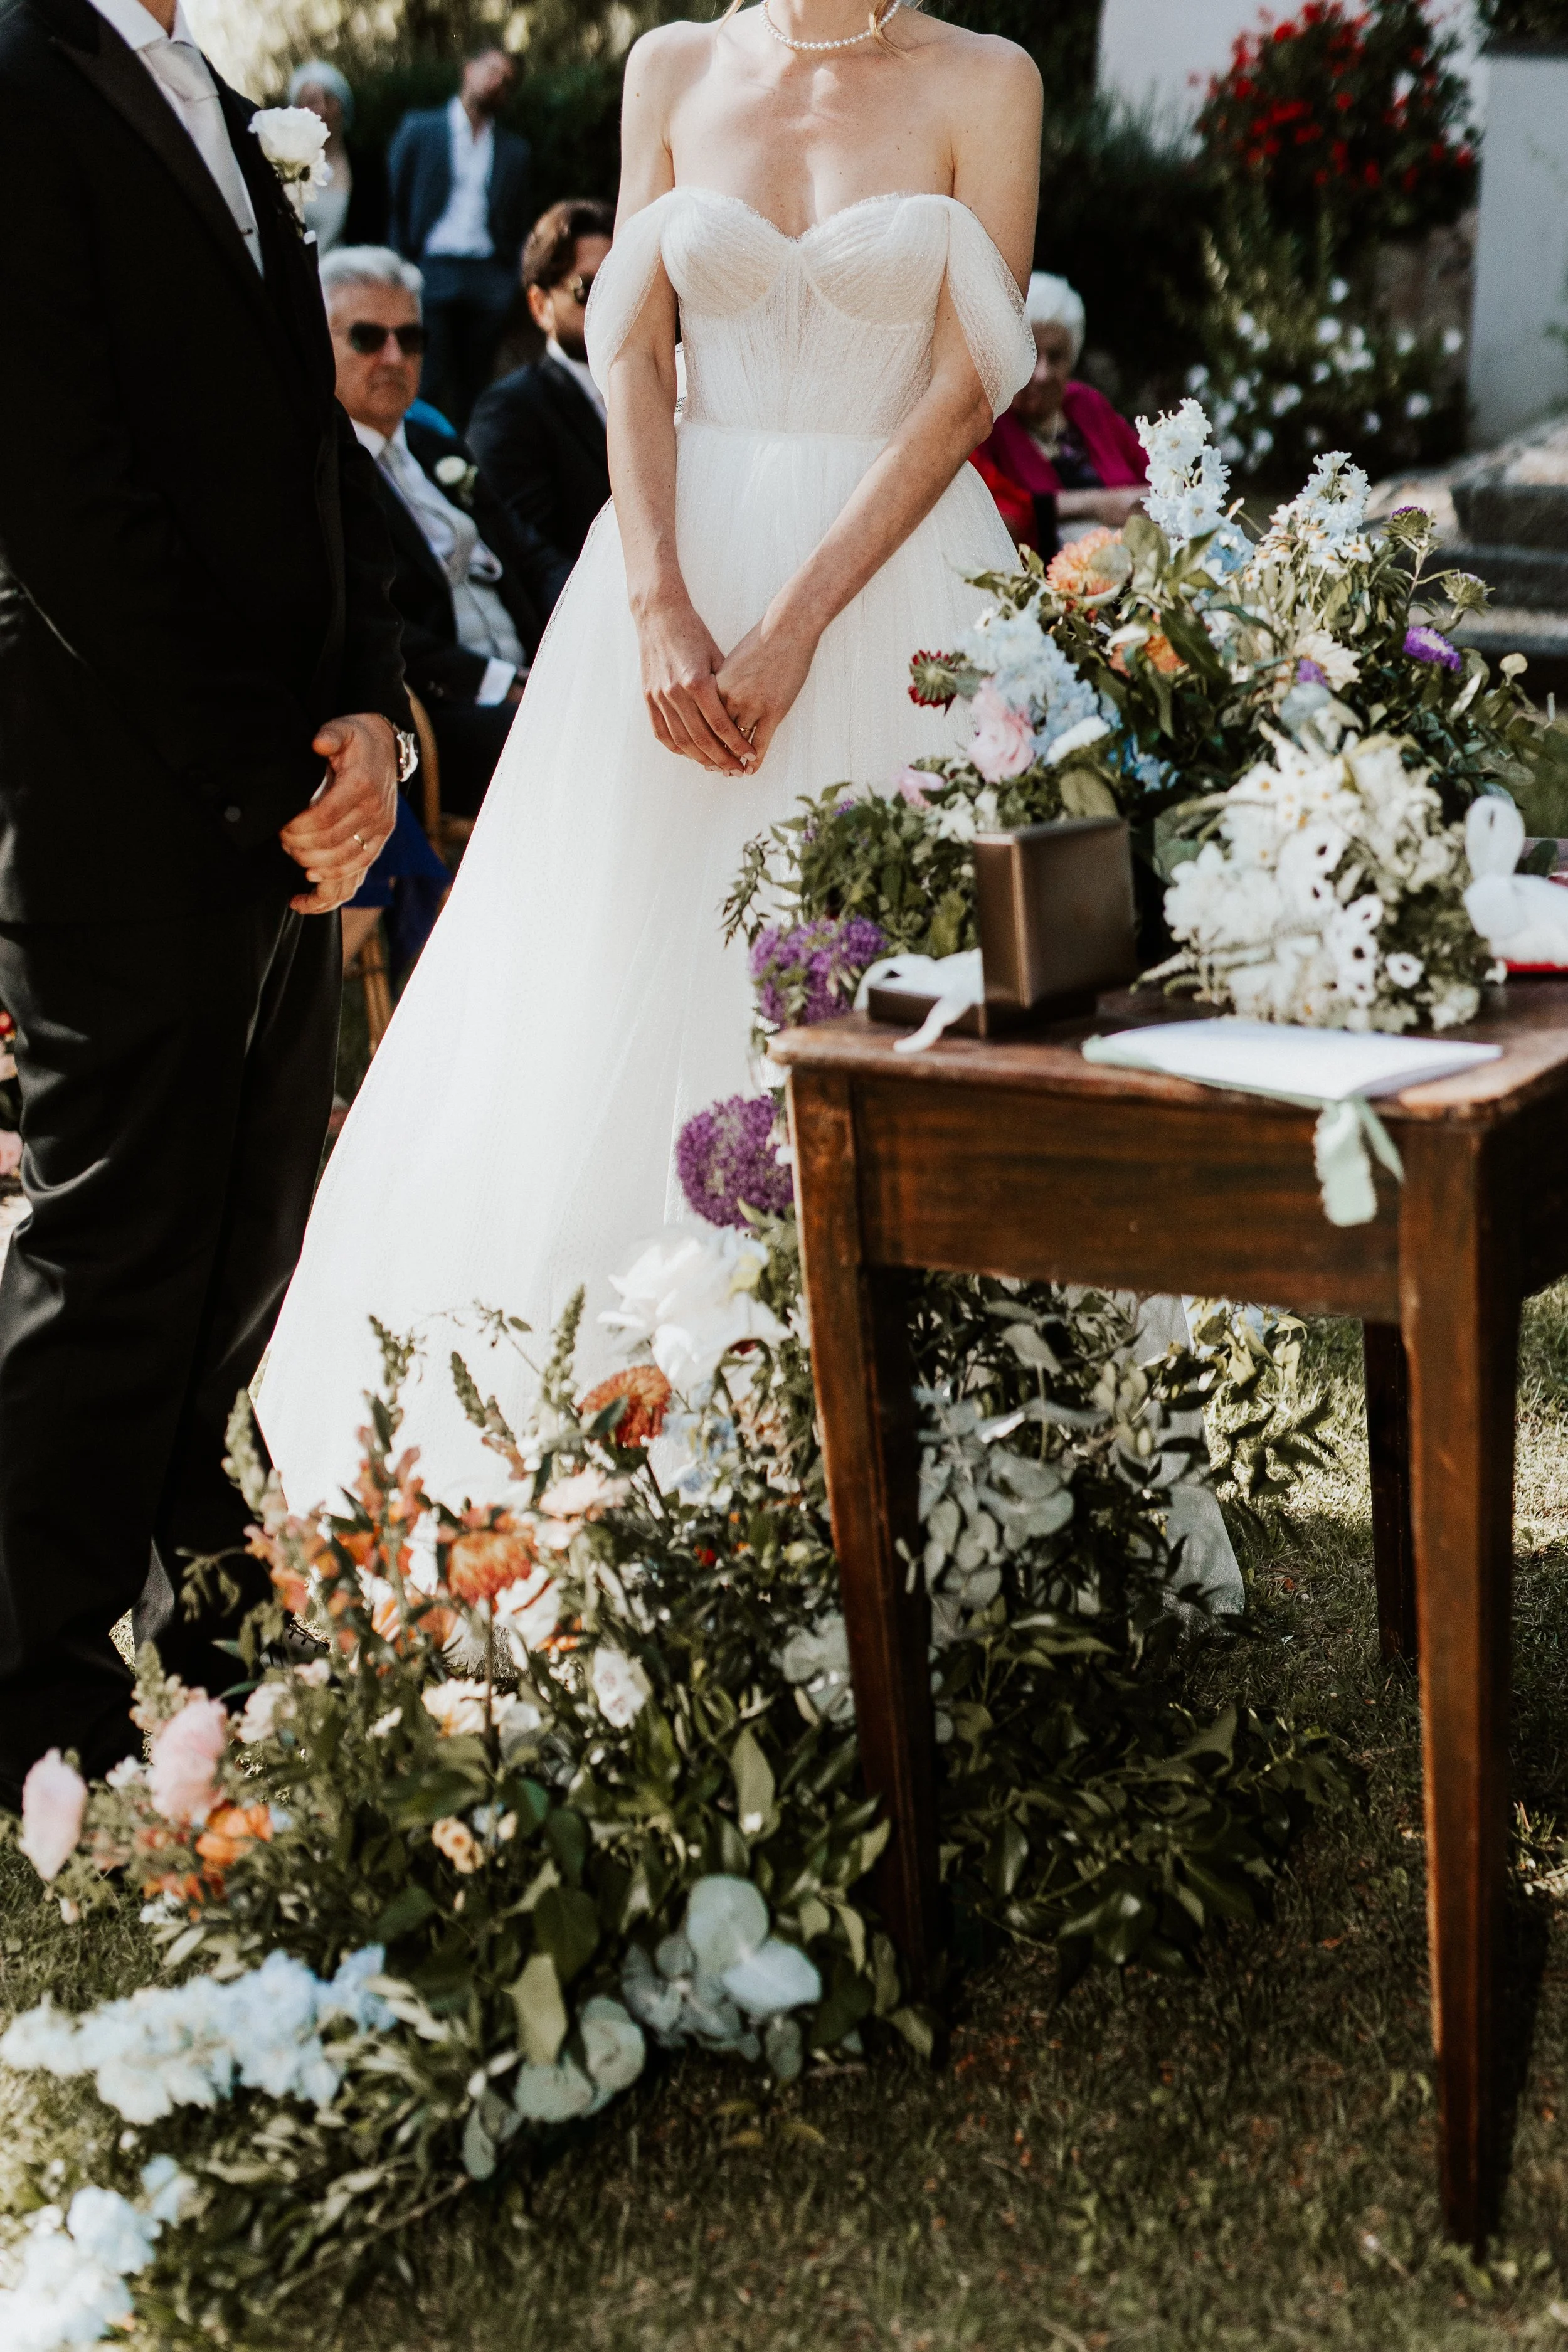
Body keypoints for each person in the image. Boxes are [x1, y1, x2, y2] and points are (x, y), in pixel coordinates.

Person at [257, 0, 1044, 1515]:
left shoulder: (985, 79)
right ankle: (590, 1400)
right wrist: (656, 599)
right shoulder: (671, 65)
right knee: (610, 968)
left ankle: (895, 1432)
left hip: (890, 593)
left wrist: (800, 617)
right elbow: (630, 345)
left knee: (882, 984)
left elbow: (967, 386)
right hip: (669, 571)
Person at [0, 0, 411, 1804]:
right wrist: (270, 775)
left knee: (246, 1219)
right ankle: (33, 1687)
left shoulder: (217, 103)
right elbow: (62, 496)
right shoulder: (20, 80)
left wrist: (376, 718)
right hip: (117, 785)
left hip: (280, 789)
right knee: (110, 1244)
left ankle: (208, 1599)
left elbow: (309, 457)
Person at [323, 245, 541, 818]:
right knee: (570, 743)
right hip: (440, 711)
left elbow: (528, 554)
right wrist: (501, 682)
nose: (394, 357)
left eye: (411, 339)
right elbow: (374, 622)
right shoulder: (317, 476)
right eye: (368, 338)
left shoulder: (438, 447)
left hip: (531, 676)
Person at [469, 198, 615, 623]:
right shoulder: (511, 412)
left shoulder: (682, 390)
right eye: (587, 290)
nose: (610, 305)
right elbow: (529, 556)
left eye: (621, 284)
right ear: (539, 304)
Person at [388, 45, 531, 426]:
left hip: (488, 276)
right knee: (426, 379)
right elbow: (396, 201)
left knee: (479, 386)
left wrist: (508, 281)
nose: (498, 82)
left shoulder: (514, 151)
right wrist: (403, 266)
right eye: (492, 70)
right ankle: (424, 460)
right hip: (431, 268)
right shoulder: (420, 129)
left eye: (507, 80)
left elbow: (516, 221)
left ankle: (470, 468)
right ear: (468, 70)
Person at [973, 271, 1148, 558]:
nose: (1041, 374)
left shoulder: (1086, 404)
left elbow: (1156, 474)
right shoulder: (986, 419)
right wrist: (1096, 504)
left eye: (1055, 357)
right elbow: (997, 517)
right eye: (1030, 354)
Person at [287, 58, 386, 252]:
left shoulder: (368, 166)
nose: (323, 109)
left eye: (330, 100)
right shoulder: (284, 169)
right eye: (312, 102)